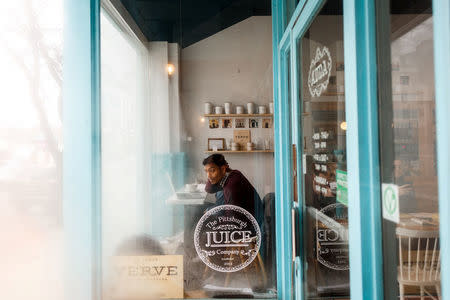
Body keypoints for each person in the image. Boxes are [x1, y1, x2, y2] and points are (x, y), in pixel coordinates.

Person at [202, 153, 264, 227]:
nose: (208, 175)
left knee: (207, 213)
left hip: (251, 225)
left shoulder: (231, 187)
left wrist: (213, 226)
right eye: (206, 171)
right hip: (246, 216)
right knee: (215, 200)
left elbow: (232, 221)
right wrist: (211, 175)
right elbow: (209, 189)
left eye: (212, 170)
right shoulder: (233, 173)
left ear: (223, 169)